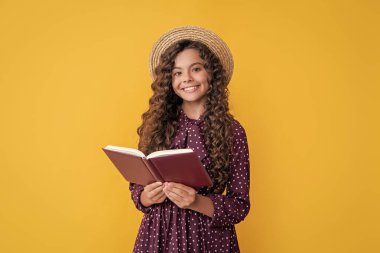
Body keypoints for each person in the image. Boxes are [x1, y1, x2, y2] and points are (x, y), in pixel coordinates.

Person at [129, 26, 250, 253]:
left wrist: (196, 202)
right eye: (177, 73)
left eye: (196, 69)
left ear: (211, 73)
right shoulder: (157, 125)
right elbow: (137, 186)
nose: (187, 79)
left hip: (208, 239)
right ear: (169, 80)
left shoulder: (233, 131)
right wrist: (146, 197)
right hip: (158, 235)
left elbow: (240, 205)